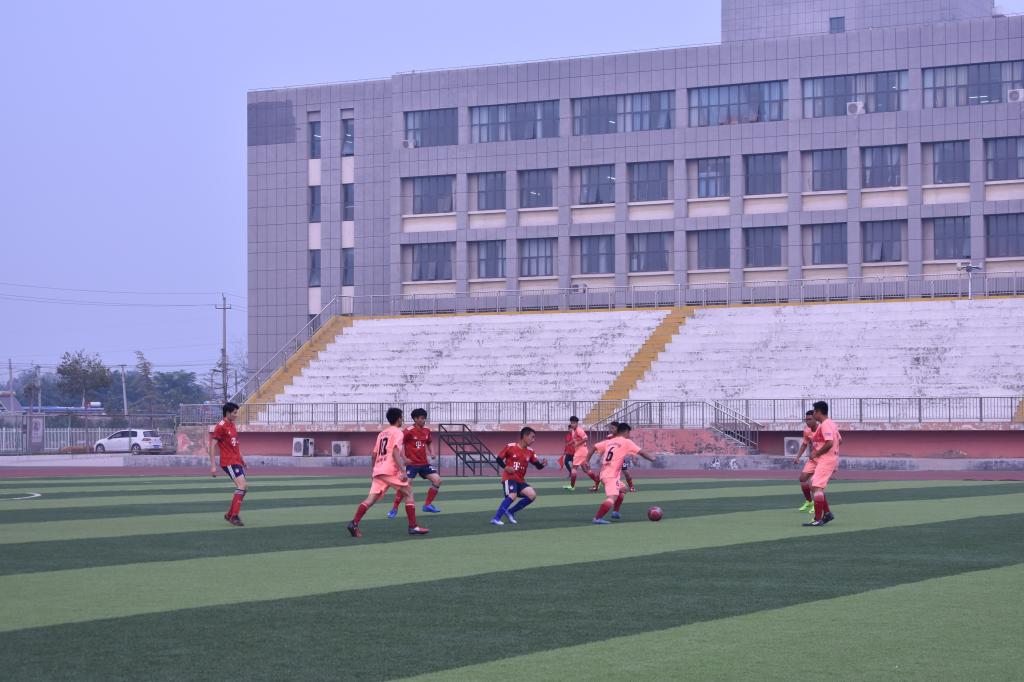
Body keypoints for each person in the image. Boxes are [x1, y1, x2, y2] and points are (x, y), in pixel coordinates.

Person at [347, 407, 429, 538]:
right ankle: (413, 527)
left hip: (378, 470)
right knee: (409, 492)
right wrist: (403, 470)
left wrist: (374, 471)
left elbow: (374, 455)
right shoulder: (398, 433)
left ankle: (354, 523)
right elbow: (395, 452)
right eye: (401, 417)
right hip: (389, 469)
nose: (402, 419)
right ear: (398, 419)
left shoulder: (382, 434)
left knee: (370, 499)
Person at [591, 423, 656, 524]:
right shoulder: (626, 441)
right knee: (612, 497)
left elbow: (594, 447)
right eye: (629, 433)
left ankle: (615, 512)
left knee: (623, 489)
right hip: (611, 476)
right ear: (626, 431)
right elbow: (642, 452)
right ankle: (597, 518)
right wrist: (652, 458)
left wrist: (586, 461)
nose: (629, 435)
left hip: (604, 473)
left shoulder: (610, 441)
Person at [387, 407, 442, 517]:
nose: (423, 420)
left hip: (424, 463)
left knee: (437, 480)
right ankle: (394, 508)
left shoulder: (426, 430)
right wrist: (404, 459)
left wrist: (432, 452)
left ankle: (427, 505)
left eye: (424, 418)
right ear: (415, 419)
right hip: (412, 464)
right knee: (404, 485)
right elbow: (398, 446)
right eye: (421, 418)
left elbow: (429, 442)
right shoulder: (408, 431)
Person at [490, 427, 546, 526]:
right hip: (509, 478)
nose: (533, 440)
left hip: (520, 480)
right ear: (525, 436)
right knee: (513, 495)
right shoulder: (510, 446)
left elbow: (537, 466)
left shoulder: (530, 451)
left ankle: (510, 512)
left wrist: (542, 464)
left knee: (532, 495)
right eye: (532, 437)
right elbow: (498, 459)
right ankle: (496, 518)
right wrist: (506, 467)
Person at [209, 401, 248, 527]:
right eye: (235, 413)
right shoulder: (220, 426)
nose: (236, 415)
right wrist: (213, 465)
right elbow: (212, 446)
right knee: (242, 485)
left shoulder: (232, 425)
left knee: (244, 488)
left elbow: (235, 444)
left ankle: (230, 514)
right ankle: (234, 516)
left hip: (236, 460)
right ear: (228, 413)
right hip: (228, 461)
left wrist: (241, 458)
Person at [803, 401, 840, 527]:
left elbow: (829, 443)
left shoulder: (825, 425)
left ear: (818, 412)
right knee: (813, 484)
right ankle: (827, 513)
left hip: (826, 460)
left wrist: (817, 453)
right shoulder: (831, 424)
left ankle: (818, 519)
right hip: (828, 458)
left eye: (814, 411)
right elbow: (839, 440)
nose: (813, 414)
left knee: (816, 487)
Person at [792, 410, 819, 514]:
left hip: (823, 460)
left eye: (810, 419)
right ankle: (809, 502)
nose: (807, 421)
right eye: (806, 420)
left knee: (813, 483)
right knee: (802, 479)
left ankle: (817, 504)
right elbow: (804, 444)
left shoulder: (822, 429)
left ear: (816, 419)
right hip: (813, 459)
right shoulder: (807, 431)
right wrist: (797, 457)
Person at [564, 416, 600, 492]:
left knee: (574, 468)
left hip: (580, 452)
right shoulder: (573, 431)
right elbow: (575, 440)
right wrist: (569, 443)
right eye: (571, 423)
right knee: (585, 469)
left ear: (577, 423)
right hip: (583, 451)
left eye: (574, 423)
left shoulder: (579, 430)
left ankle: (572, 486)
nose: (572, 424)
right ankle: (597, 481)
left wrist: (577, 444)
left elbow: (585, 438)